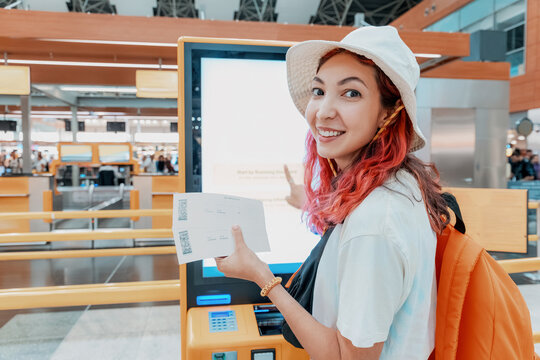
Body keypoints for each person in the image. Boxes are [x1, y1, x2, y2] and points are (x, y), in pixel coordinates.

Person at [214, 26, 450, 359]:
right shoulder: (401, 183)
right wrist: (310, 204)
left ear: (388, 110)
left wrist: (261, 277)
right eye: (318, 90)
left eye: (351, 93)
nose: (324, 111)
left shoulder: (373, 224)